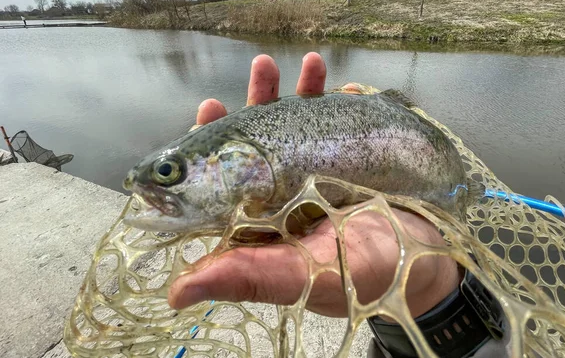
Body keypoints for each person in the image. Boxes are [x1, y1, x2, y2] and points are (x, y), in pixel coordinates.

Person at [168, 52, 508, 358]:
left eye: (171, 173)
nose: (165, 185)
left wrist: (434, 284)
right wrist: (431, 297)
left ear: (238, 161)